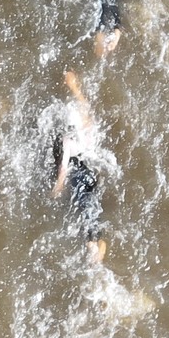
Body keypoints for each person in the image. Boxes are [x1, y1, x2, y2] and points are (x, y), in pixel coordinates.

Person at [52, 69, 108, 264]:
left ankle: (94, 245)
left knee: (84, 207)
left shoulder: (67, 140)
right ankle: (96, 241)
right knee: (90, 204)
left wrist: (55, 191)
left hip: (79, 174)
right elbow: (84, 104)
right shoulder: (89, 128)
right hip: (94, 170)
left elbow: (63, 172)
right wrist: (74, 86)